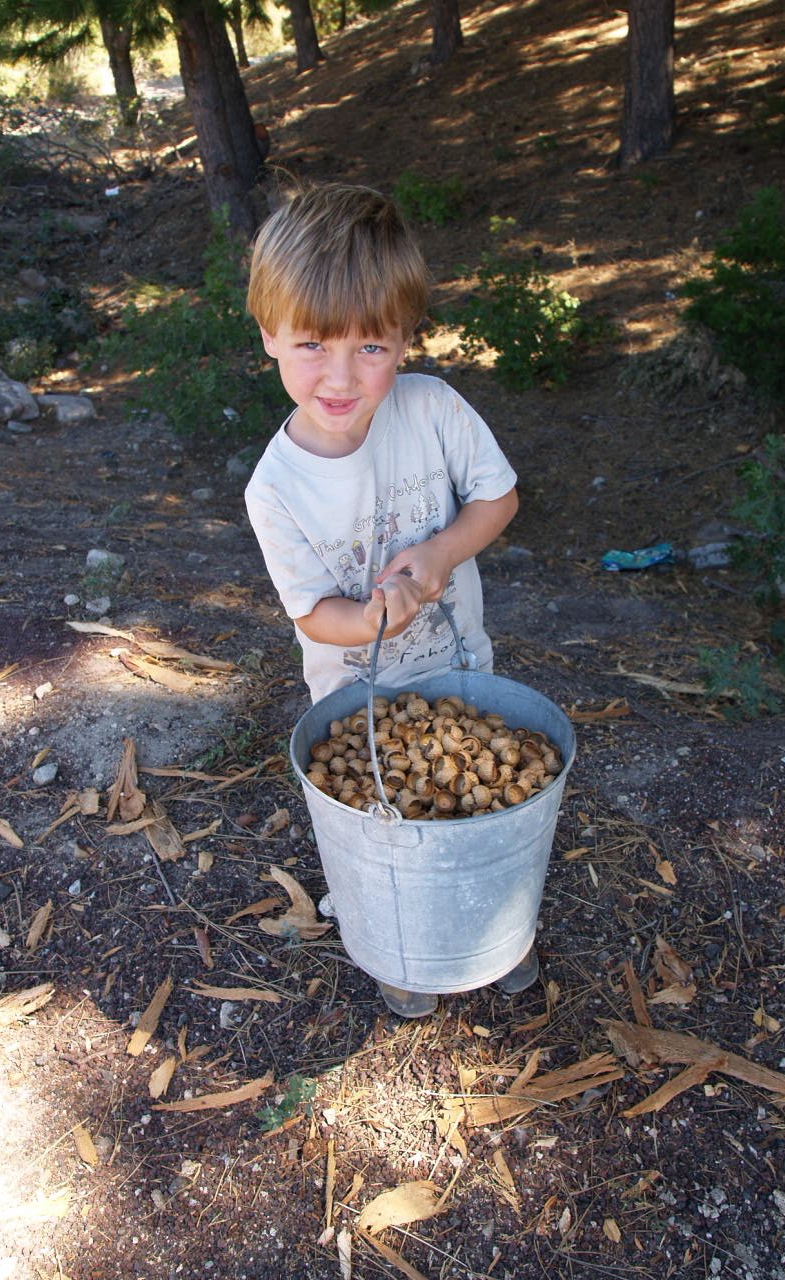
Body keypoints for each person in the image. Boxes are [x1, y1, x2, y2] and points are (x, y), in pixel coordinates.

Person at [244, 181, 536, 1017]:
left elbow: (499, 500)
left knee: (477, 810)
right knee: (376, 831)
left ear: (406, 338)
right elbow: (314, 617)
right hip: (355, 702)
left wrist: (439, 555)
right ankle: (396, 939)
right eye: (311, 346)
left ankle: (496, 924)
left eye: (370, 348)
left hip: (458, 672)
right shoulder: (275, 490)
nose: (340, 377)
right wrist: (375, 616)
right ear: (269, 335)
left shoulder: (434, 410)